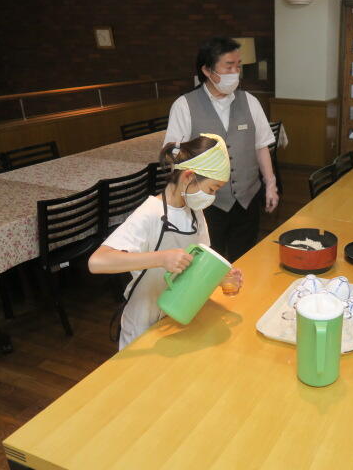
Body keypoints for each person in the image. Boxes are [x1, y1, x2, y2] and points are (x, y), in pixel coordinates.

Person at [88, 134, 242, 350]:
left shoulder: (194, 212)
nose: (211, 197)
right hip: (143, 322)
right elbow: (97, 262)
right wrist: (161, 258)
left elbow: (198, 264)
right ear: (188, 176)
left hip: (177, 315)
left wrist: (219, 277)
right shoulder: (150, 213)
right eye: (211, 189)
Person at [163, 36, 279, 262]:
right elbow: (172, 154)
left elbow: (261, 147)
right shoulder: (185, 105)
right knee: (208, 260)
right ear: (207, 70)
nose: (235, 72)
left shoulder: (250, 101)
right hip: (206, 204)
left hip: (247, 198)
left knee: (245, 258)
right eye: (229, 66)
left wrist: (271, 185)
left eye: (238, 66)